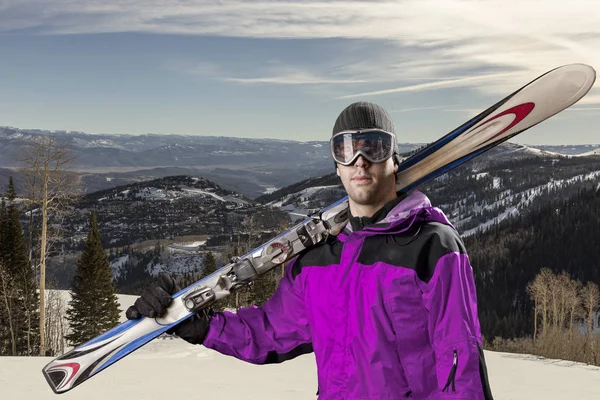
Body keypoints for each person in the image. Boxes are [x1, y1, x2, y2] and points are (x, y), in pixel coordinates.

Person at [126, 101, 494, 399]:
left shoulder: (431, 245)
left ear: (394, 159)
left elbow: (460, 359)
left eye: (374, 147)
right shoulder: (317, 258)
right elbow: (270, 332)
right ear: (337, 167)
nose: (359, 160)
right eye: (346, 150)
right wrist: (199, 326)